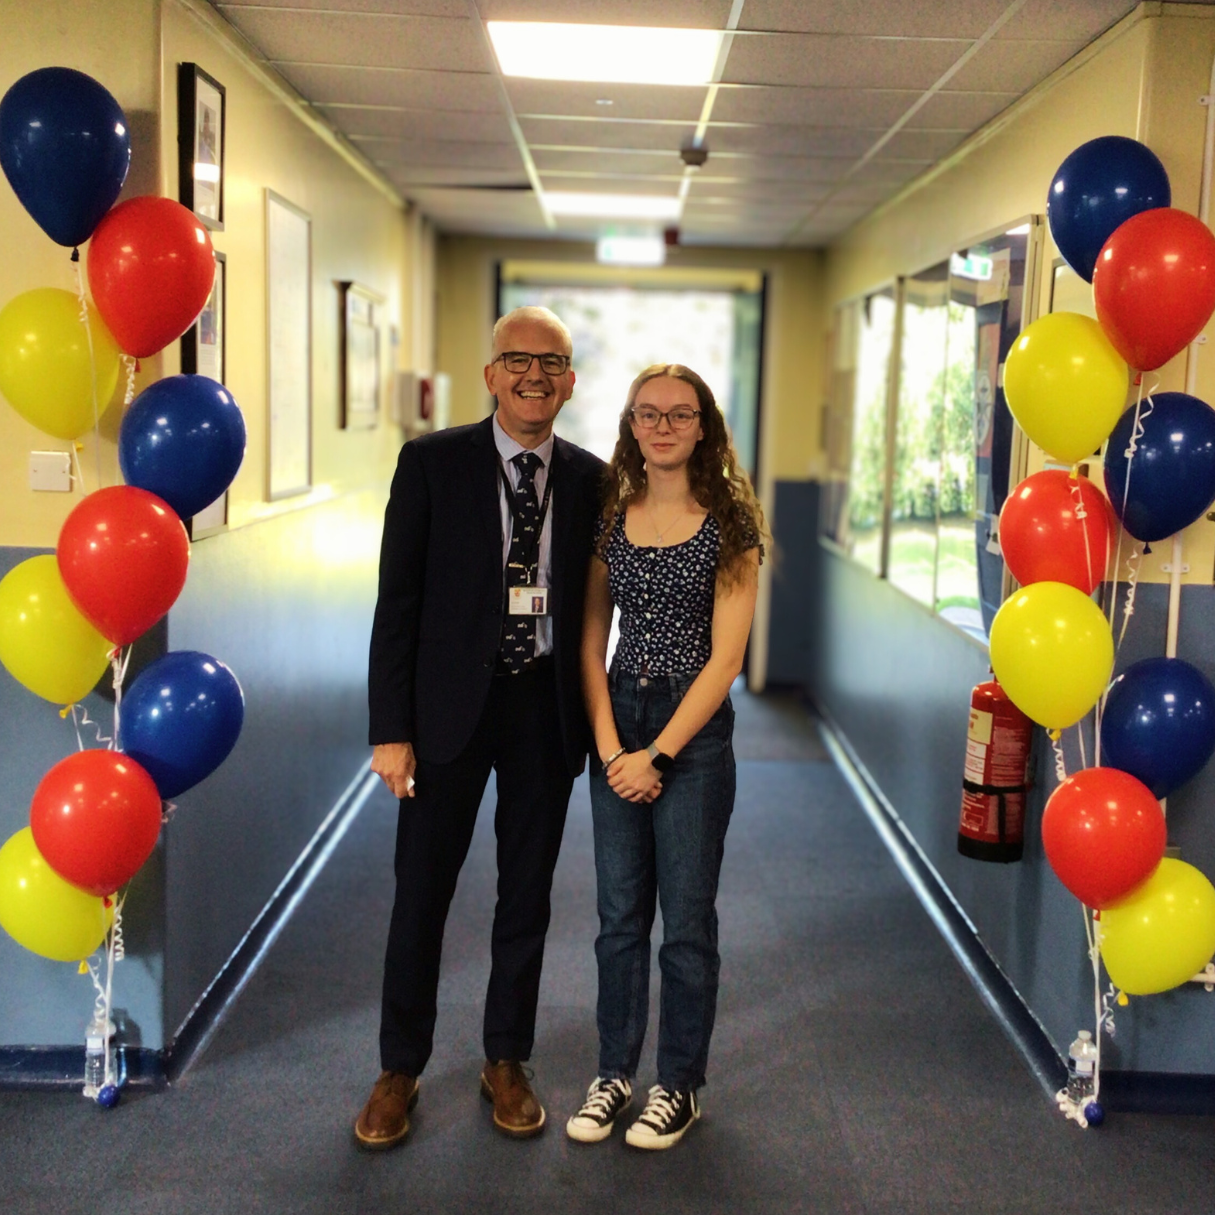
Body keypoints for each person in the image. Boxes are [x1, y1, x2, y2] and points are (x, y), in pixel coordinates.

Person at [356, 306, 605, 1150]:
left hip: (544, 709)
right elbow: (396, 603)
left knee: (526, 895)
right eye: (518, 360)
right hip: (444, 714)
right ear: (491, 373)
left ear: (570, 382)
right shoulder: (431, 463)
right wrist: (390, 729)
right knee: (420, 894)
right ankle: (399, 1067)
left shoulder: (592, 478)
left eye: (552, 362)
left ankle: (506, 1058)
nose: (534, 375)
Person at [566, 363, 766, 1151]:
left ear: (702, 426)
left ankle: (677, 1085)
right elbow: (589, 642)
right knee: (618, 919)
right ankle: (612, 1073)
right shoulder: (610, 518)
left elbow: (726, 660)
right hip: (618, 717)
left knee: (684, 924)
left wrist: (657, 753)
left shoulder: (730, 524)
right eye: (647, 413)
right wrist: (612, 747)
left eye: (679, 414)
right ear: (629, 425)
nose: (661, 425)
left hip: (692, 730)